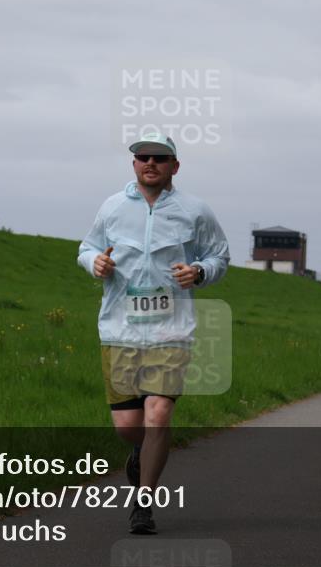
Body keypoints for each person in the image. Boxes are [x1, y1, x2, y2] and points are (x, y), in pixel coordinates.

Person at [78, 133, 230, 535]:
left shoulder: (194, 210)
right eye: (143, 157)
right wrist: (96, 263)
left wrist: (199, 272)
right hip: (119, 330)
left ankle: (143, 503)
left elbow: (219, 255)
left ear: (174, 167)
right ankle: (138, 453)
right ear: (134, 164)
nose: (151, 163)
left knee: (158, 415)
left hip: (171, 331)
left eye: (160, 158)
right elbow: (87, 247)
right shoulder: (112, 207)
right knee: (130, 426)